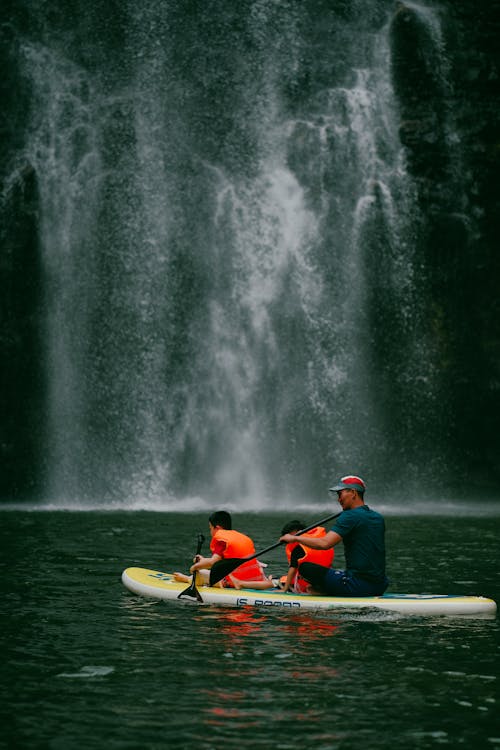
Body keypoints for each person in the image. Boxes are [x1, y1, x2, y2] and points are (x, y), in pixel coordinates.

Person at [279, 475, 389, 596]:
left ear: (353, 493)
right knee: (338, 572)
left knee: (305, 568)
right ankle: (321, 590)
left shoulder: (349, 516)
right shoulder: (377, 518)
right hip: (380, 585)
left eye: (340, 494)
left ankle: (321, 592)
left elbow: (325, 543)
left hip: (358, 586)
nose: (339, 499)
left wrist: (294, 538)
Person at [230, 519, 334, 592]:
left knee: (275, 582)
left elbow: (292, 570)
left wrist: (284, 589)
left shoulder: (298, 548)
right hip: (323, 583)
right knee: (276, 578)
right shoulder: (322, 541)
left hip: (304, 586)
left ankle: (240, 583)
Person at [173, 510, 269, 588]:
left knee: (201, 573)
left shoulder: (222, 540)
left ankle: (186, 579)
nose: (210, 532)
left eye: (210, 528)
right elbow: (224, 561)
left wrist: (195, 567)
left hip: (233, 582)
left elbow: (213, 562)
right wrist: (202, 560)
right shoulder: (242, 538)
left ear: (217, 528)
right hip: (255, 580)